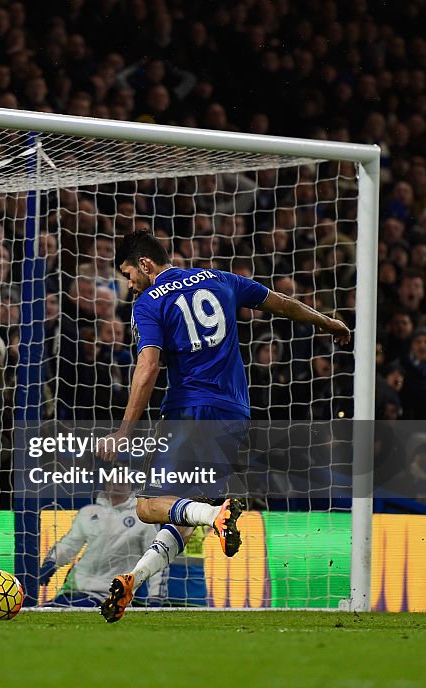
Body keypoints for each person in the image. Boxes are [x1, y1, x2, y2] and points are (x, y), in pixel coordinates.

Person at [97, 231, 350, 623]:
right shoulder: (220, 279)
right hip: (234, 414)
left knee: (148, 506)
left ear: (145, 264)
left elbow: (147, 367)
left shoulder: (149, 302)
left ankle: (216, 517)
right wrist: (327, 321)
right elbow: (280, 304)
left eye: (129, 274)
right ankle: (135, 578)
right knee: (185, 512)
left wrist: (124, 430)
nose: (129, 284)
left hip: (188, 411)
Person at [38, 477, 166, 608]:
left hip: (108, 595)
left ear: (130, 486)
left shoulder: (142, 517)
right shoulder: (89, 512)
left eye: (121, 481)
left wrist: (155, 597)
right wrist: (52, 562)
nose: (117, 484)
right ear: (105, 485)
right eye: (112, 481)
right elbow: (70, 545)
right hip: (72, 590)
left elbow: (155, 557)